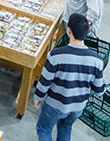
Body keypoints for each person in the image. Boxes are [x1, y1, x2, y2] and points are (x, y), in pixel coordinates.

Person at [34, 13, 105, 141]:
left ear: (68, 30)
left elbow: (45, 81)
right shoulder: (97, 60)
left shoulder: (55, 55)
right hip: (77, 107)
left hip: (55, 105)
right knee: (65, 129)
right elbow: (100, 90)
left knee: (44, 129)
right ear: (87, 31)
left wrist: (38, 97)